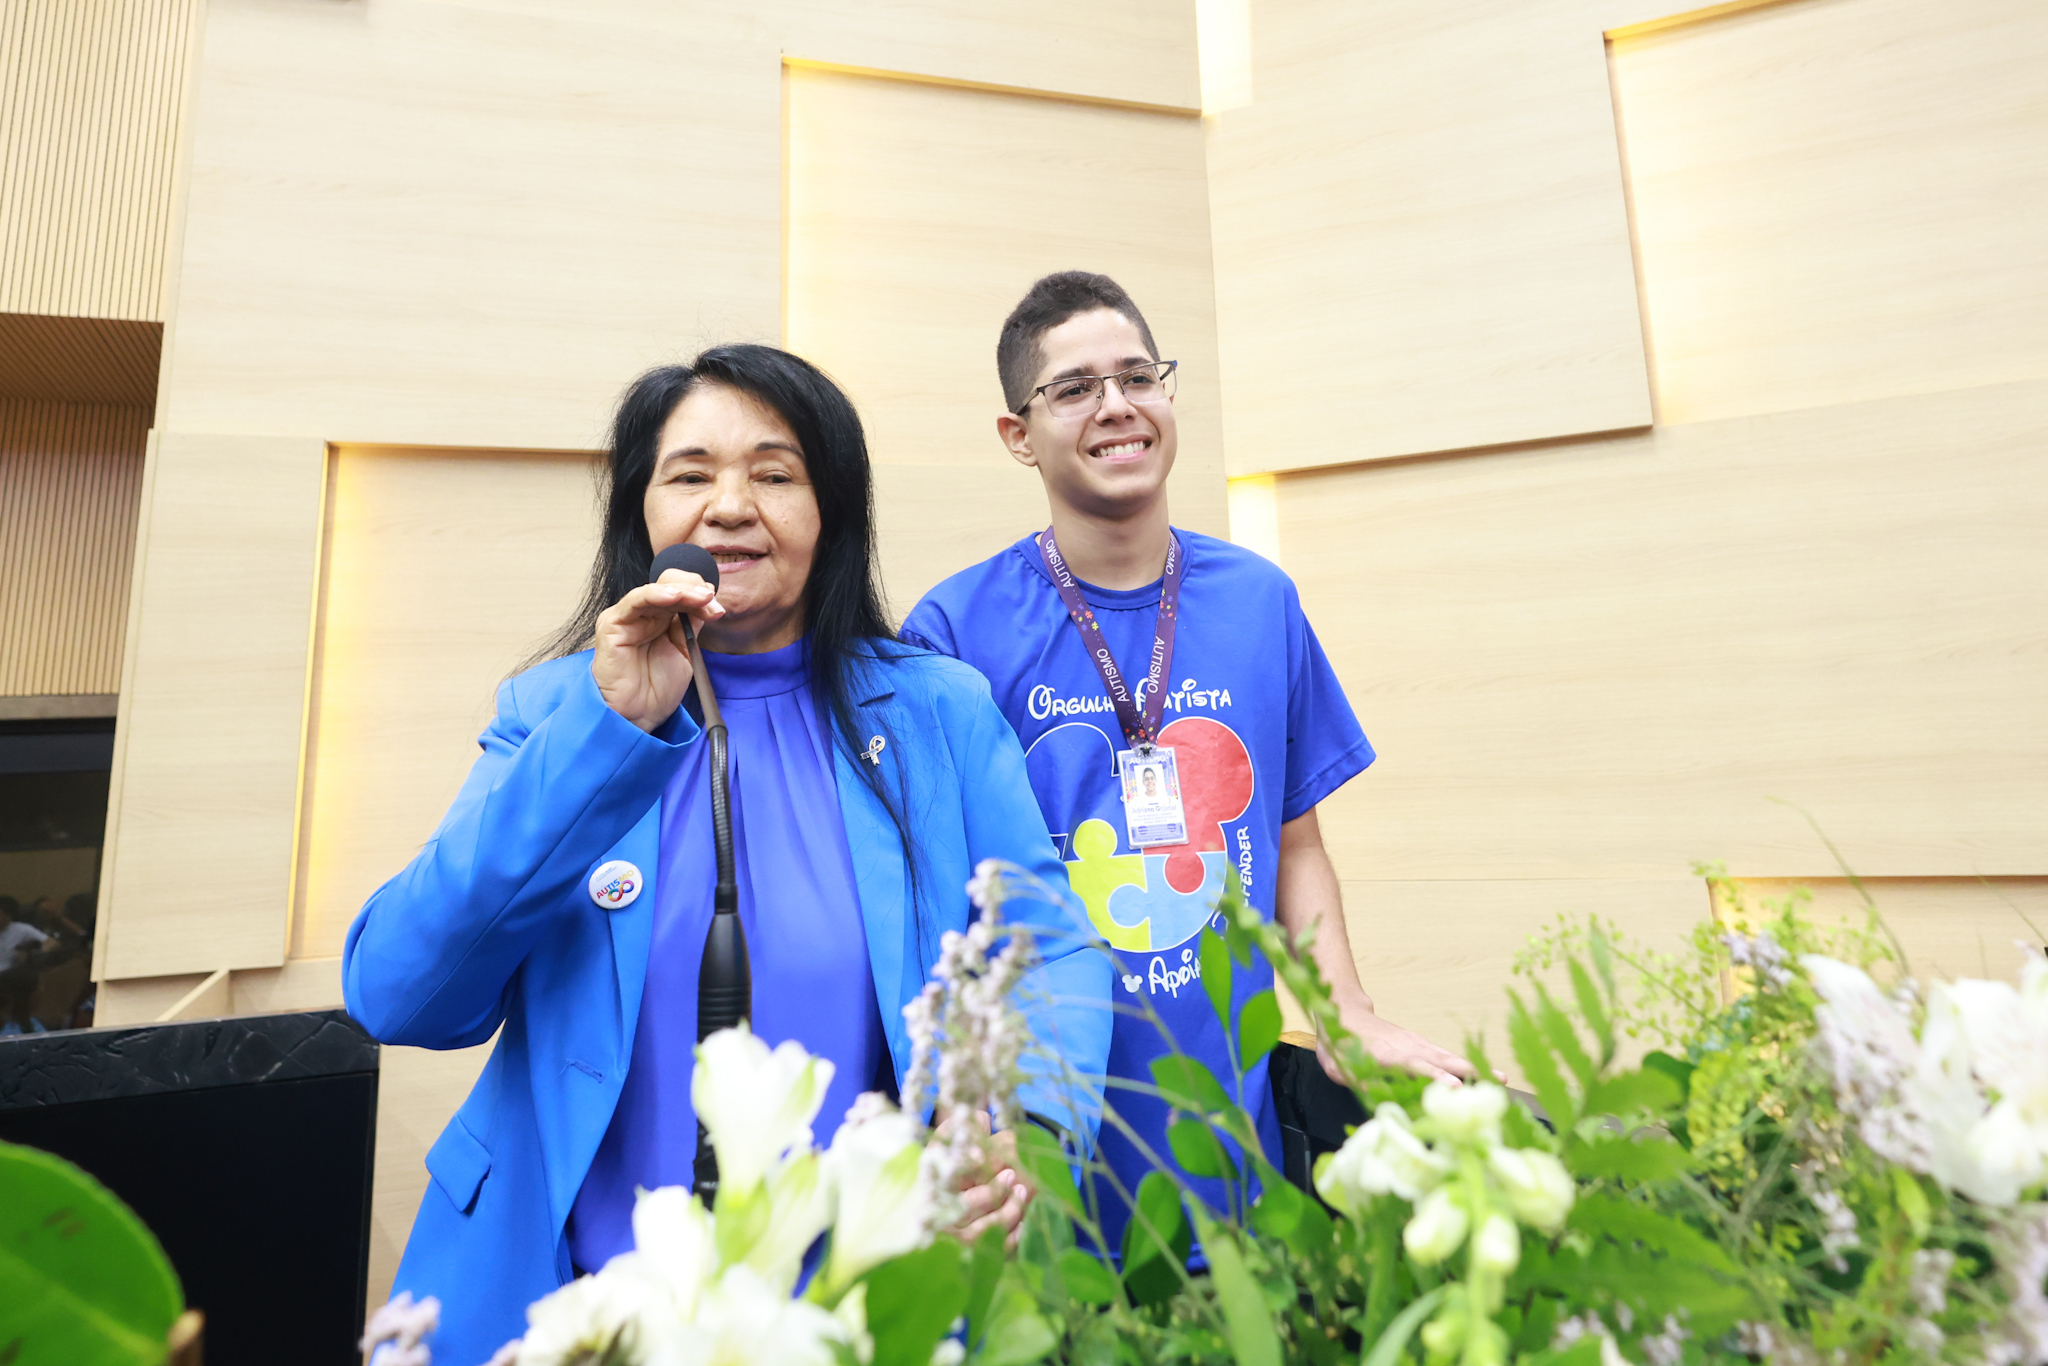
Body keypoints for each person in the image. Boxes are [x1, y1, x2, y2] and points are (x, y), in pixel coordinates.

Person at [344, 345, 1111, 1364]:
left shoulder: (936, 713)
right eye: (691, 474)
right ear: (641, 515)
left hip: (856, 1318)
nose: (731, 506)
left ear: (830, 510)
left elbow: (1049, 947)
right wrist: (603, 736)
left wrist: (1028, 1123)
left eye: (775, 472)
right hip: (581, 1311)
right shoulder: (554, 716)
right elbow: (402, 995)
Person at [900, 271, 1473, 1252]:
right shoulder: (952, 628)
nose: (1115, 404)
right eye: (1073, 388)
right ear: (1016, 435)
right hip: (1036, 1167)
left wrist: (1345, 1015)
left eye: (1136, 375)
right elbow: (924, 901)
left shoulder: (1258, 599)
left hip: (1228, 1164)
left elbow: (1294, 844)